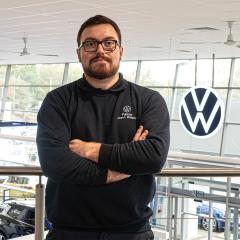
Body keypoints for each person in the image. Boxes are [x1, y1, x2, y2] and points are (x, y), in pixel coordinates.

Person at [36, 15, 170, 240]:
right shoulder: (58, 101)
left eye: (109, 43)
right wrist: (126, 165)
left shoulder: (148, 100)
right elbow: (54, 163)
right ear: (79, 53)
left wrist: (89, 150)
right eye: (90, 44)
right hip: (69, 233)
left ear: (120, 50)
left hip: (132, 233)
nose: (100, 50)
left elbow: (153, 157)